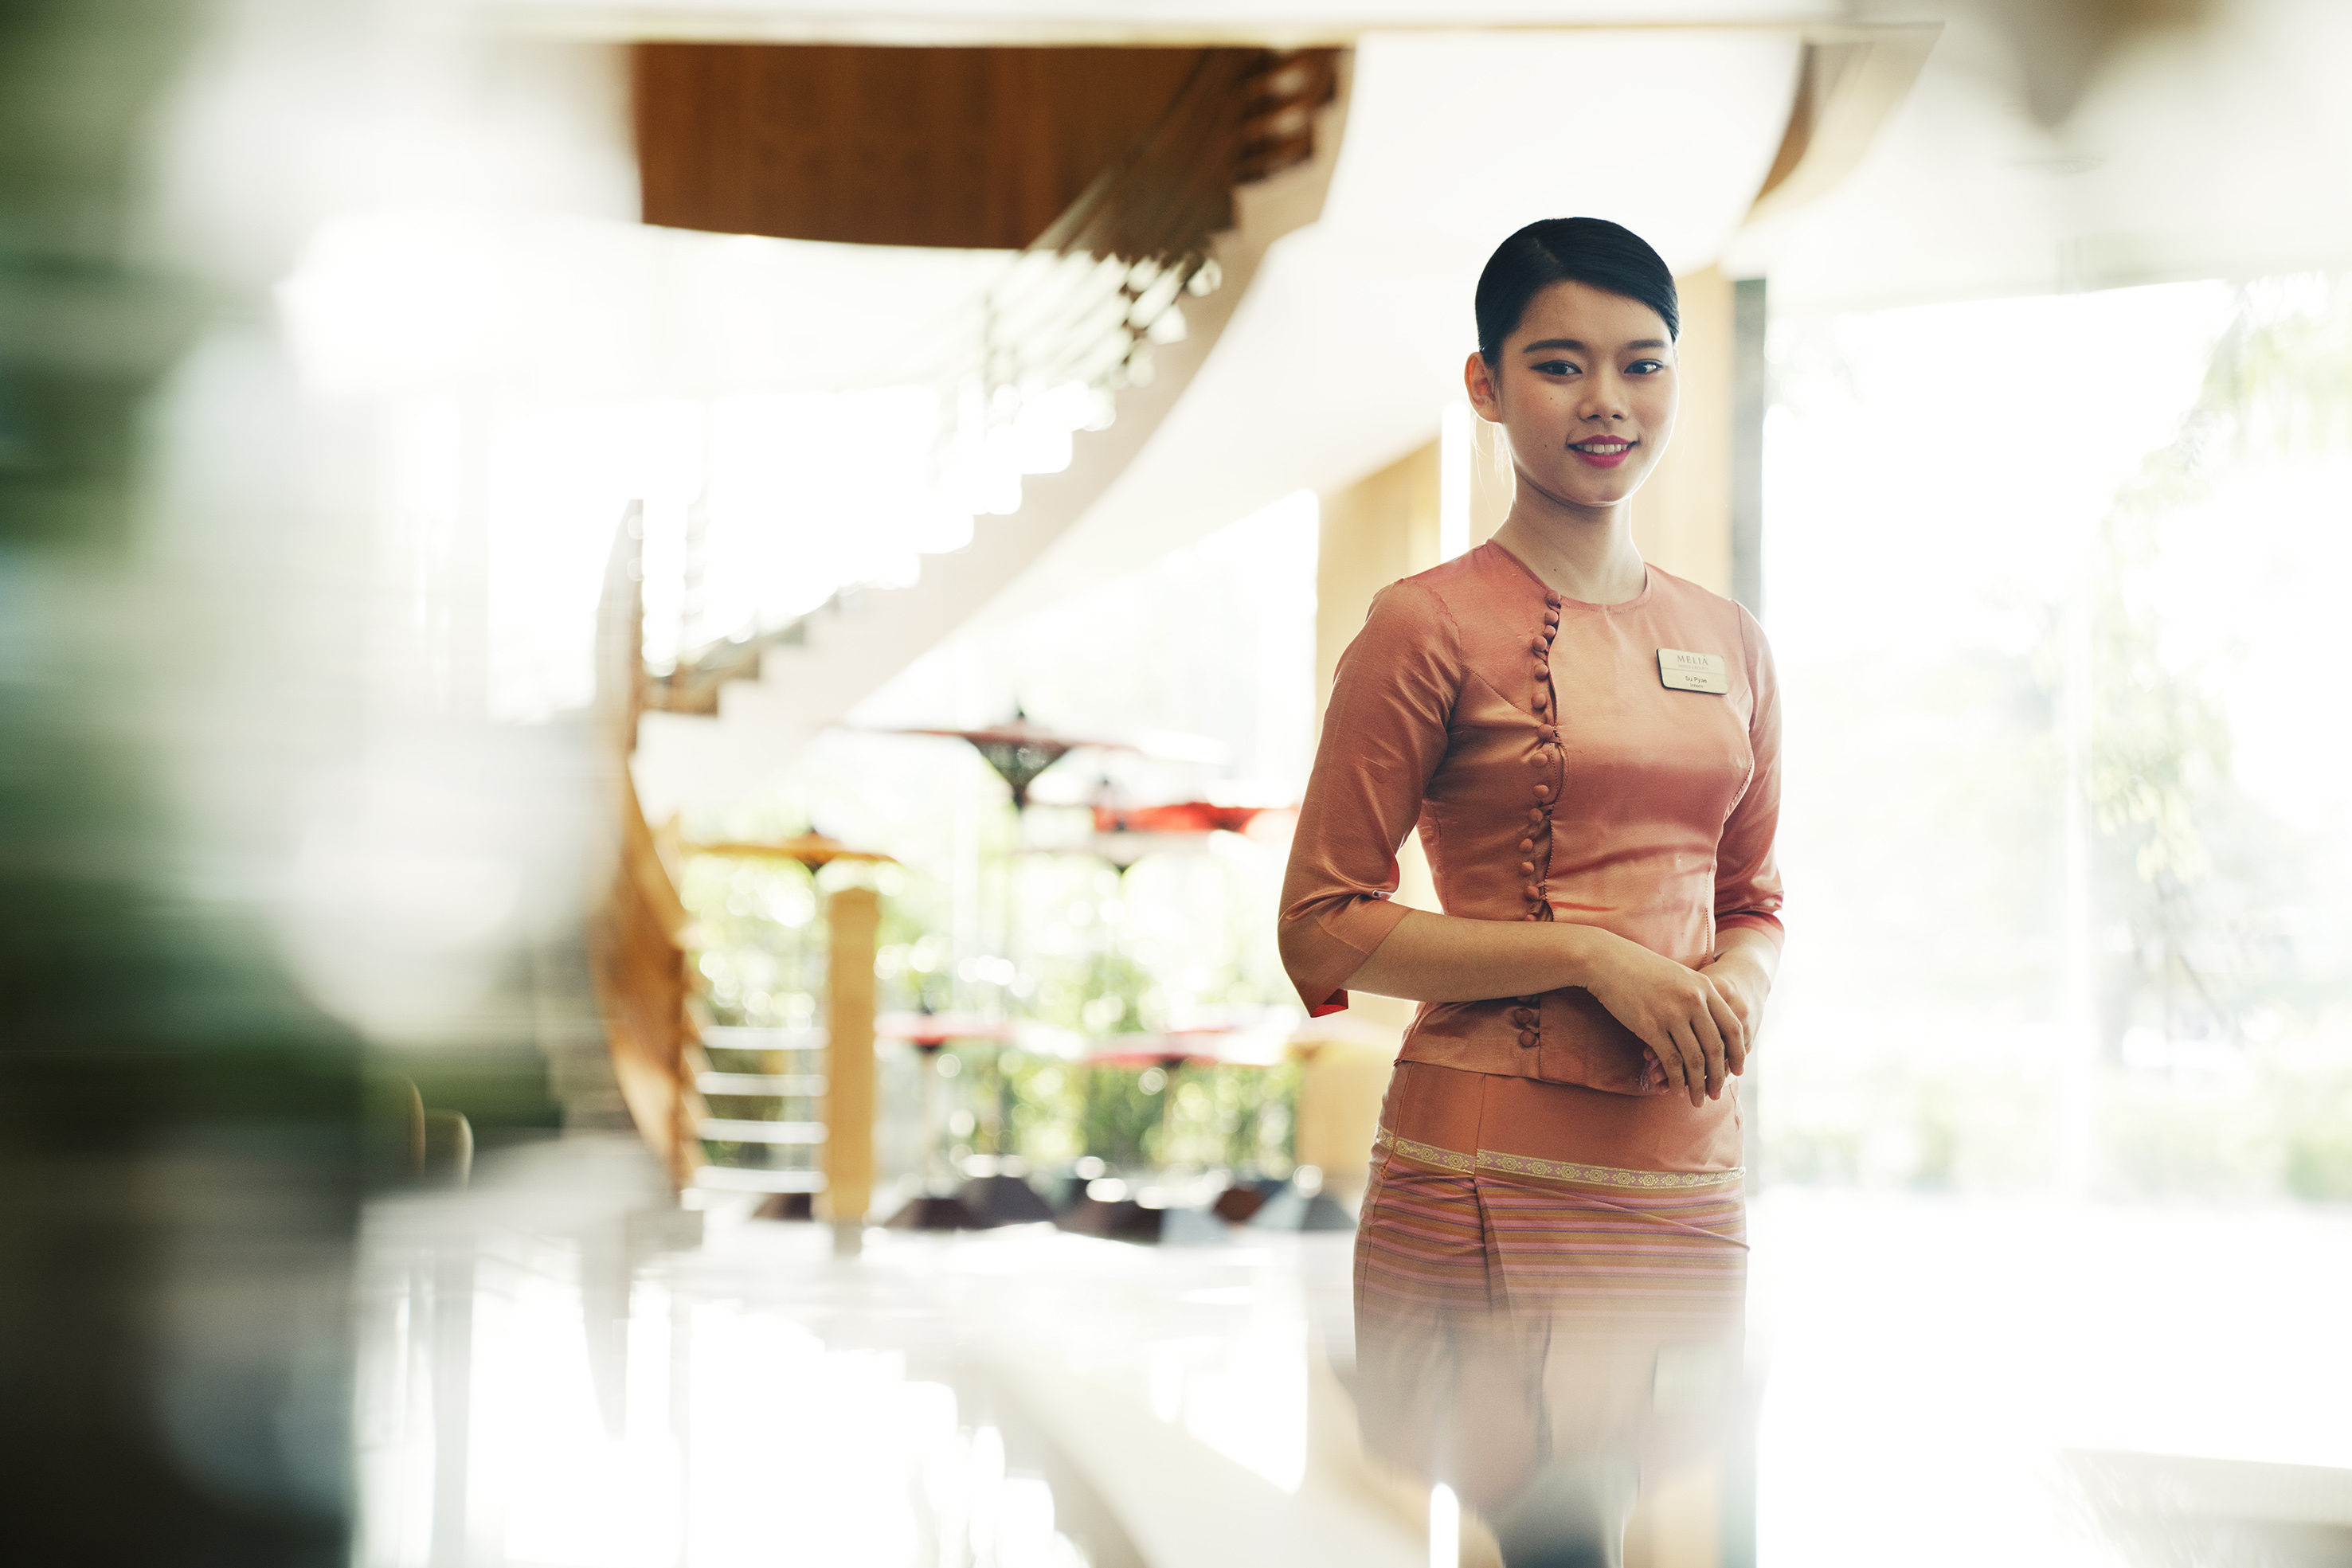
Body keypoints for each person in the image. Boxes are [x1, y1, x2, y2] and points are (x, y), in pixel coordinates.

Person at [1278, 217, 1783, 1566]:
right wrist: (1587, 958)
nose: (1606, 402)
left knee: (1610, 1529)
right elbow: (1320, 921)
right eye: (1559, 365)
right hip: (1496, 1168)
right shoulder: (1423, 626)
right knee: (1554, 1537)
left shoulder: (1728, 639)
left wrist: (1729, 982)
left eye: (1642, 364)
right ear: (1485, 386)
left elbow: (1756, 898)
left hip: (1682, 1170)